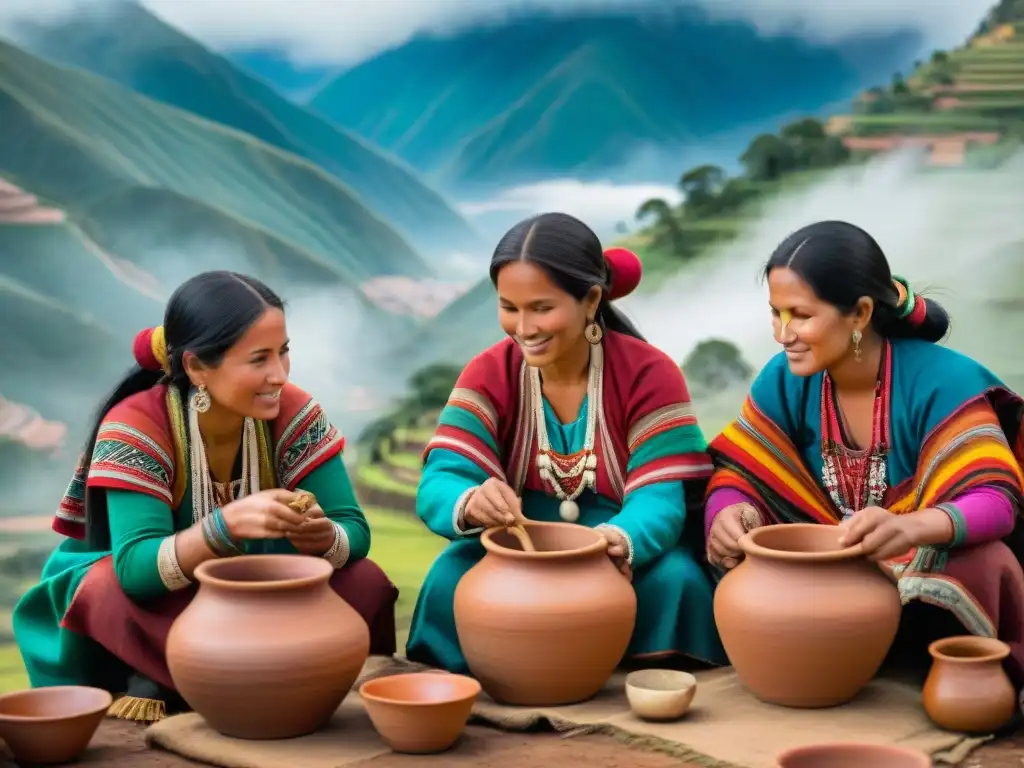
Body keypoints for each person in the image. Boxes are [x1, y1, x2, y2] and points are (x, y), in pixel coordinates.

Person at [13, 271, 399, 721]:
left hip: (260, 580)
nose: (278, 374)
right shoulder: (137, 425)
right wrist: (225, 527)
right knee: (104, 590)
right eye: (259, 359)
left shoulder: (292, 410)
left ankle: (268, 674)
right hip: (157, 594)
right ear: (196, 367)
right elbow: (135, 570)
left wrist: (322, 537)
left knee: (365, 580)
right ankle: (171, 681)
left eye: (284, 352)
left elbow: (353, 529)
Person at [405, 212, 727, 674]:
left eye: (541, 307)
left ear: (591, 299)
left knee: (677, 581)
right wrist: (471, 500)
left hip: (618, 549)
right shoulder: (489, 372)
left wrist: (614, 541)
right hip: (519, 547)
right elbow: (443, 478)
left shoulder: (648, 373)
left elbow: (660, 499)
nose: (524, 327)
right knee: (449, 578)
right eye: (509, 307)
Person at [705, 220, 1024, 684]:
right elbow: (740, 472)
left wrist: (909, 527)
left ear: (860, 314)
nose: (783, 333)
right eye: (776, 313)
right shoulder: (783, 380)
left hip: (919, 589)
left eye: (802, 314)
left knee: (980, 560)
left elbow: (996, 501)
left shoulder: (941, 380)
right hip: (826, 583)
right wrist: (728, 513)